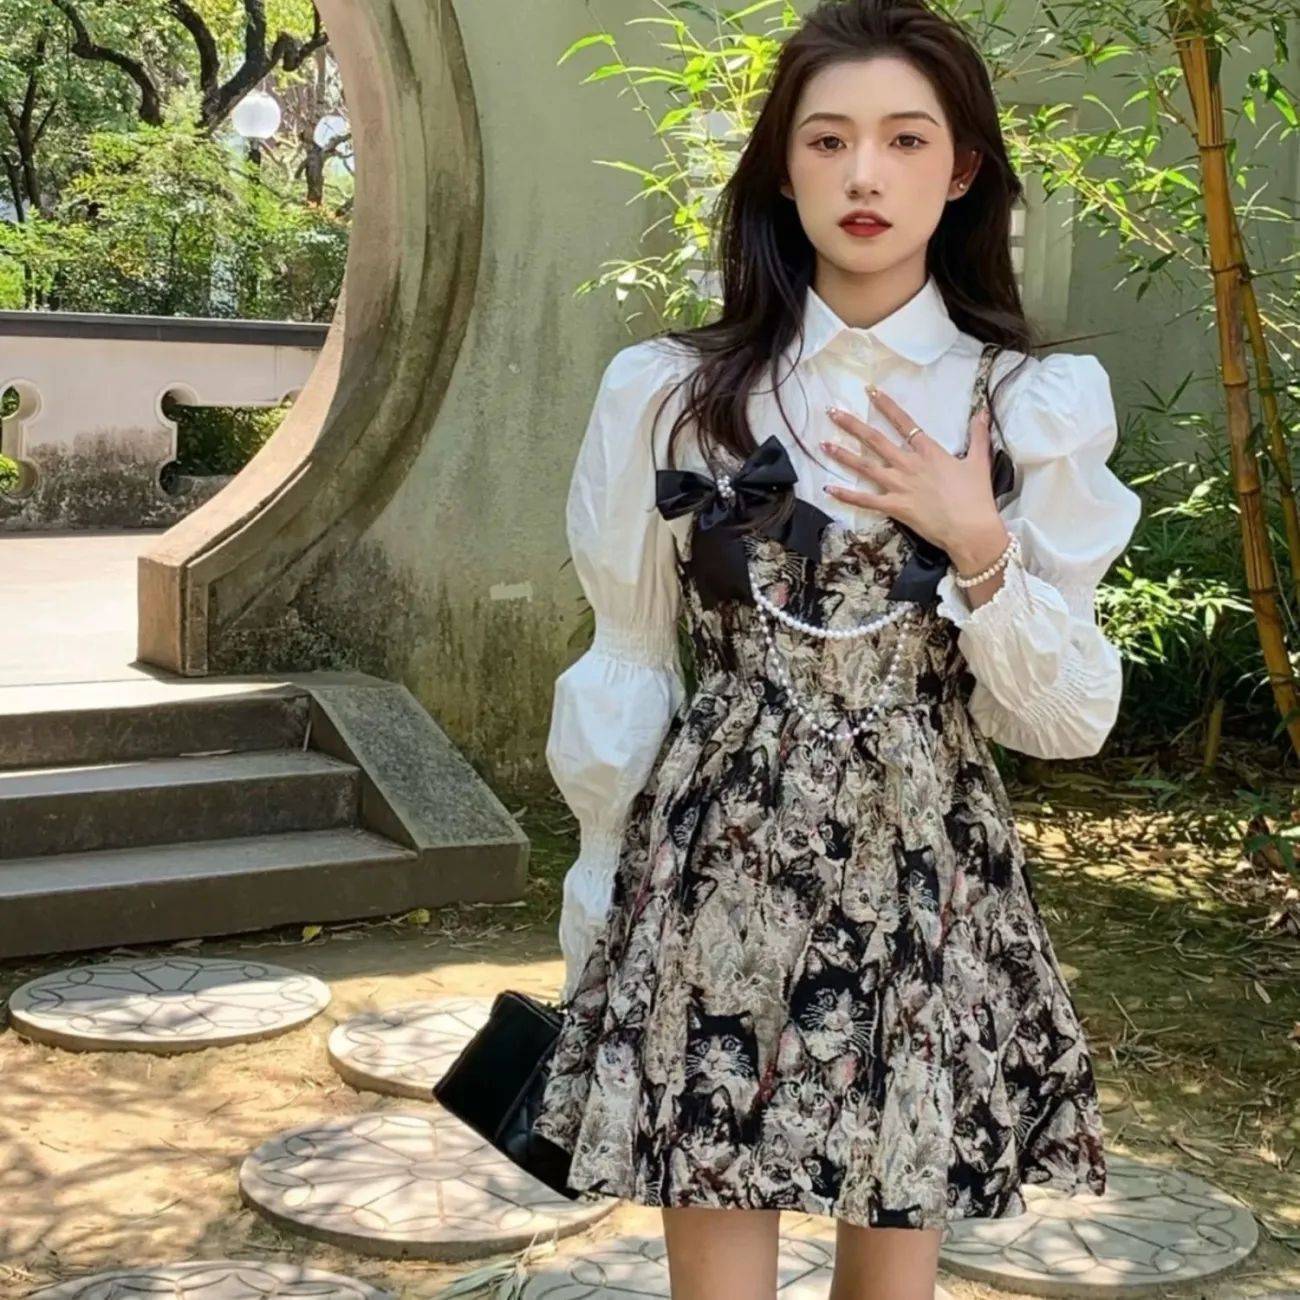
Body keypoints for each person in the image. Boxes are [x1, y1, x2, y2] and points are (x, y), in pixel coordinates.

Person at [533, 0, 1142, 1296]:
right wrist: (596, 895)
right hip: (716, 860)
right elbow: (629, 657)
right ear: (783, 167)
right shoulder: (669, 391)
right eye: (828, 139)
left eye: (906, 139)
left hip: (923, 869)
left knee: (892, 1272)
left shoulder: (1030, 402)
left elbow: (1069, 720)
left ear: (962, 169)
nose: (866, 174)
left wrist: (978, 540)